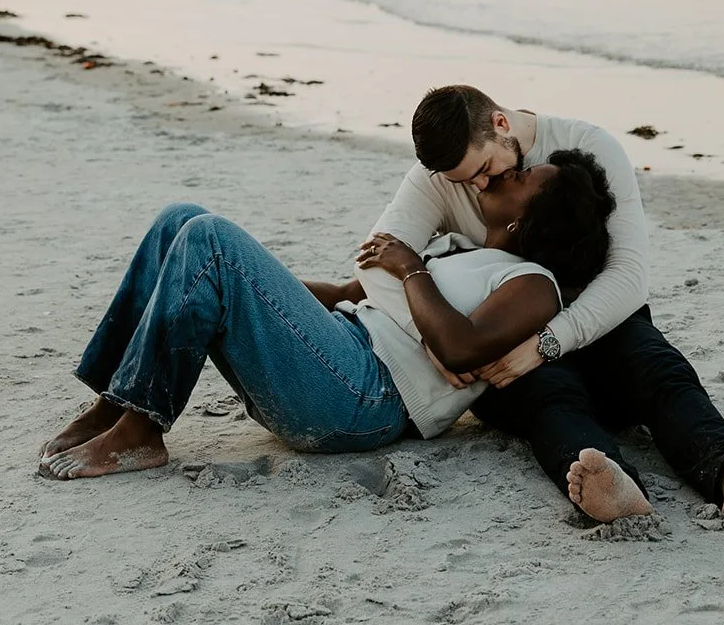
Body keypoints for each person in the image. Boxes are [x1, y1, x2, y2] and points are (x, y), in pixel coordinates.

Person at [364, 84, 724, 522]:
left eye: (484, 169)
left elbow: (628, 275)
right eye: (465, 180)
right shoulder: (441, 177)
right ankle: (614, 485)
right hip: (501, 339)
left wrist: (546, 343)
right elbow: (375, 262)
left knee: (658, 370)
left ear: (501, 125)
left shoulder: (588, 145)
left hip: (591, 323)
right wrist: (430, 338)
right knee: (550, 401)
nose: (478, 185)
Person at [38, 152, 613, 481]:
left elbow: (463, 349)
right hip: (338, 347)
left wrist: (411, 268)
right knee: (183, 220)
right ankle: (115, 403)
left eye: (520, 180)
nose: (505, 174)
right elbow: (342, 292)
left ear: (527, 223)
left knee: (209, 238)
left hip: (367, 397)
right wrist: (246, 283)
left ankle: (142, 432)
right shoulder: (459, 248)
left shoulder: (534, 284)